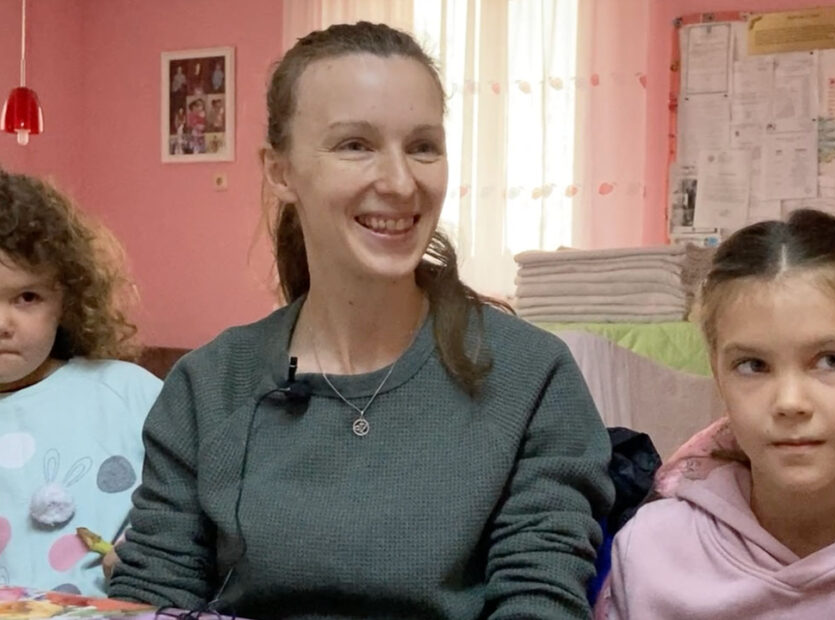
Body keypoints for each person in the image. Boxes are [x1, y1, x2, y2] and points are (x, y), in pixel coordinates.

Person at [108, 21, 614, 619]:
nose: (401, 183)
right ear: (280, 171)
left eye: (423, 146)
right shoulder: (208, 385)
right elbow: (151, 597)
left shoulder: (532, 377)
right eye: (355, 144)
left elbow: (541, 600)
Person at [597, 209, 835, 619]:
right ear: (719, 378)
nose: (790, 402)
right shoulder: (650, 551)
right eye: (753, 365)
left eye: (830, 360)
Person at [0, 170, 162, 596]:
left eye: (27, 298)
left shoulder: (128, 395)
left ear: (66, 301)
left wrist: (152, 553)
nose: (2, 324)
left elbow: (199, 507)